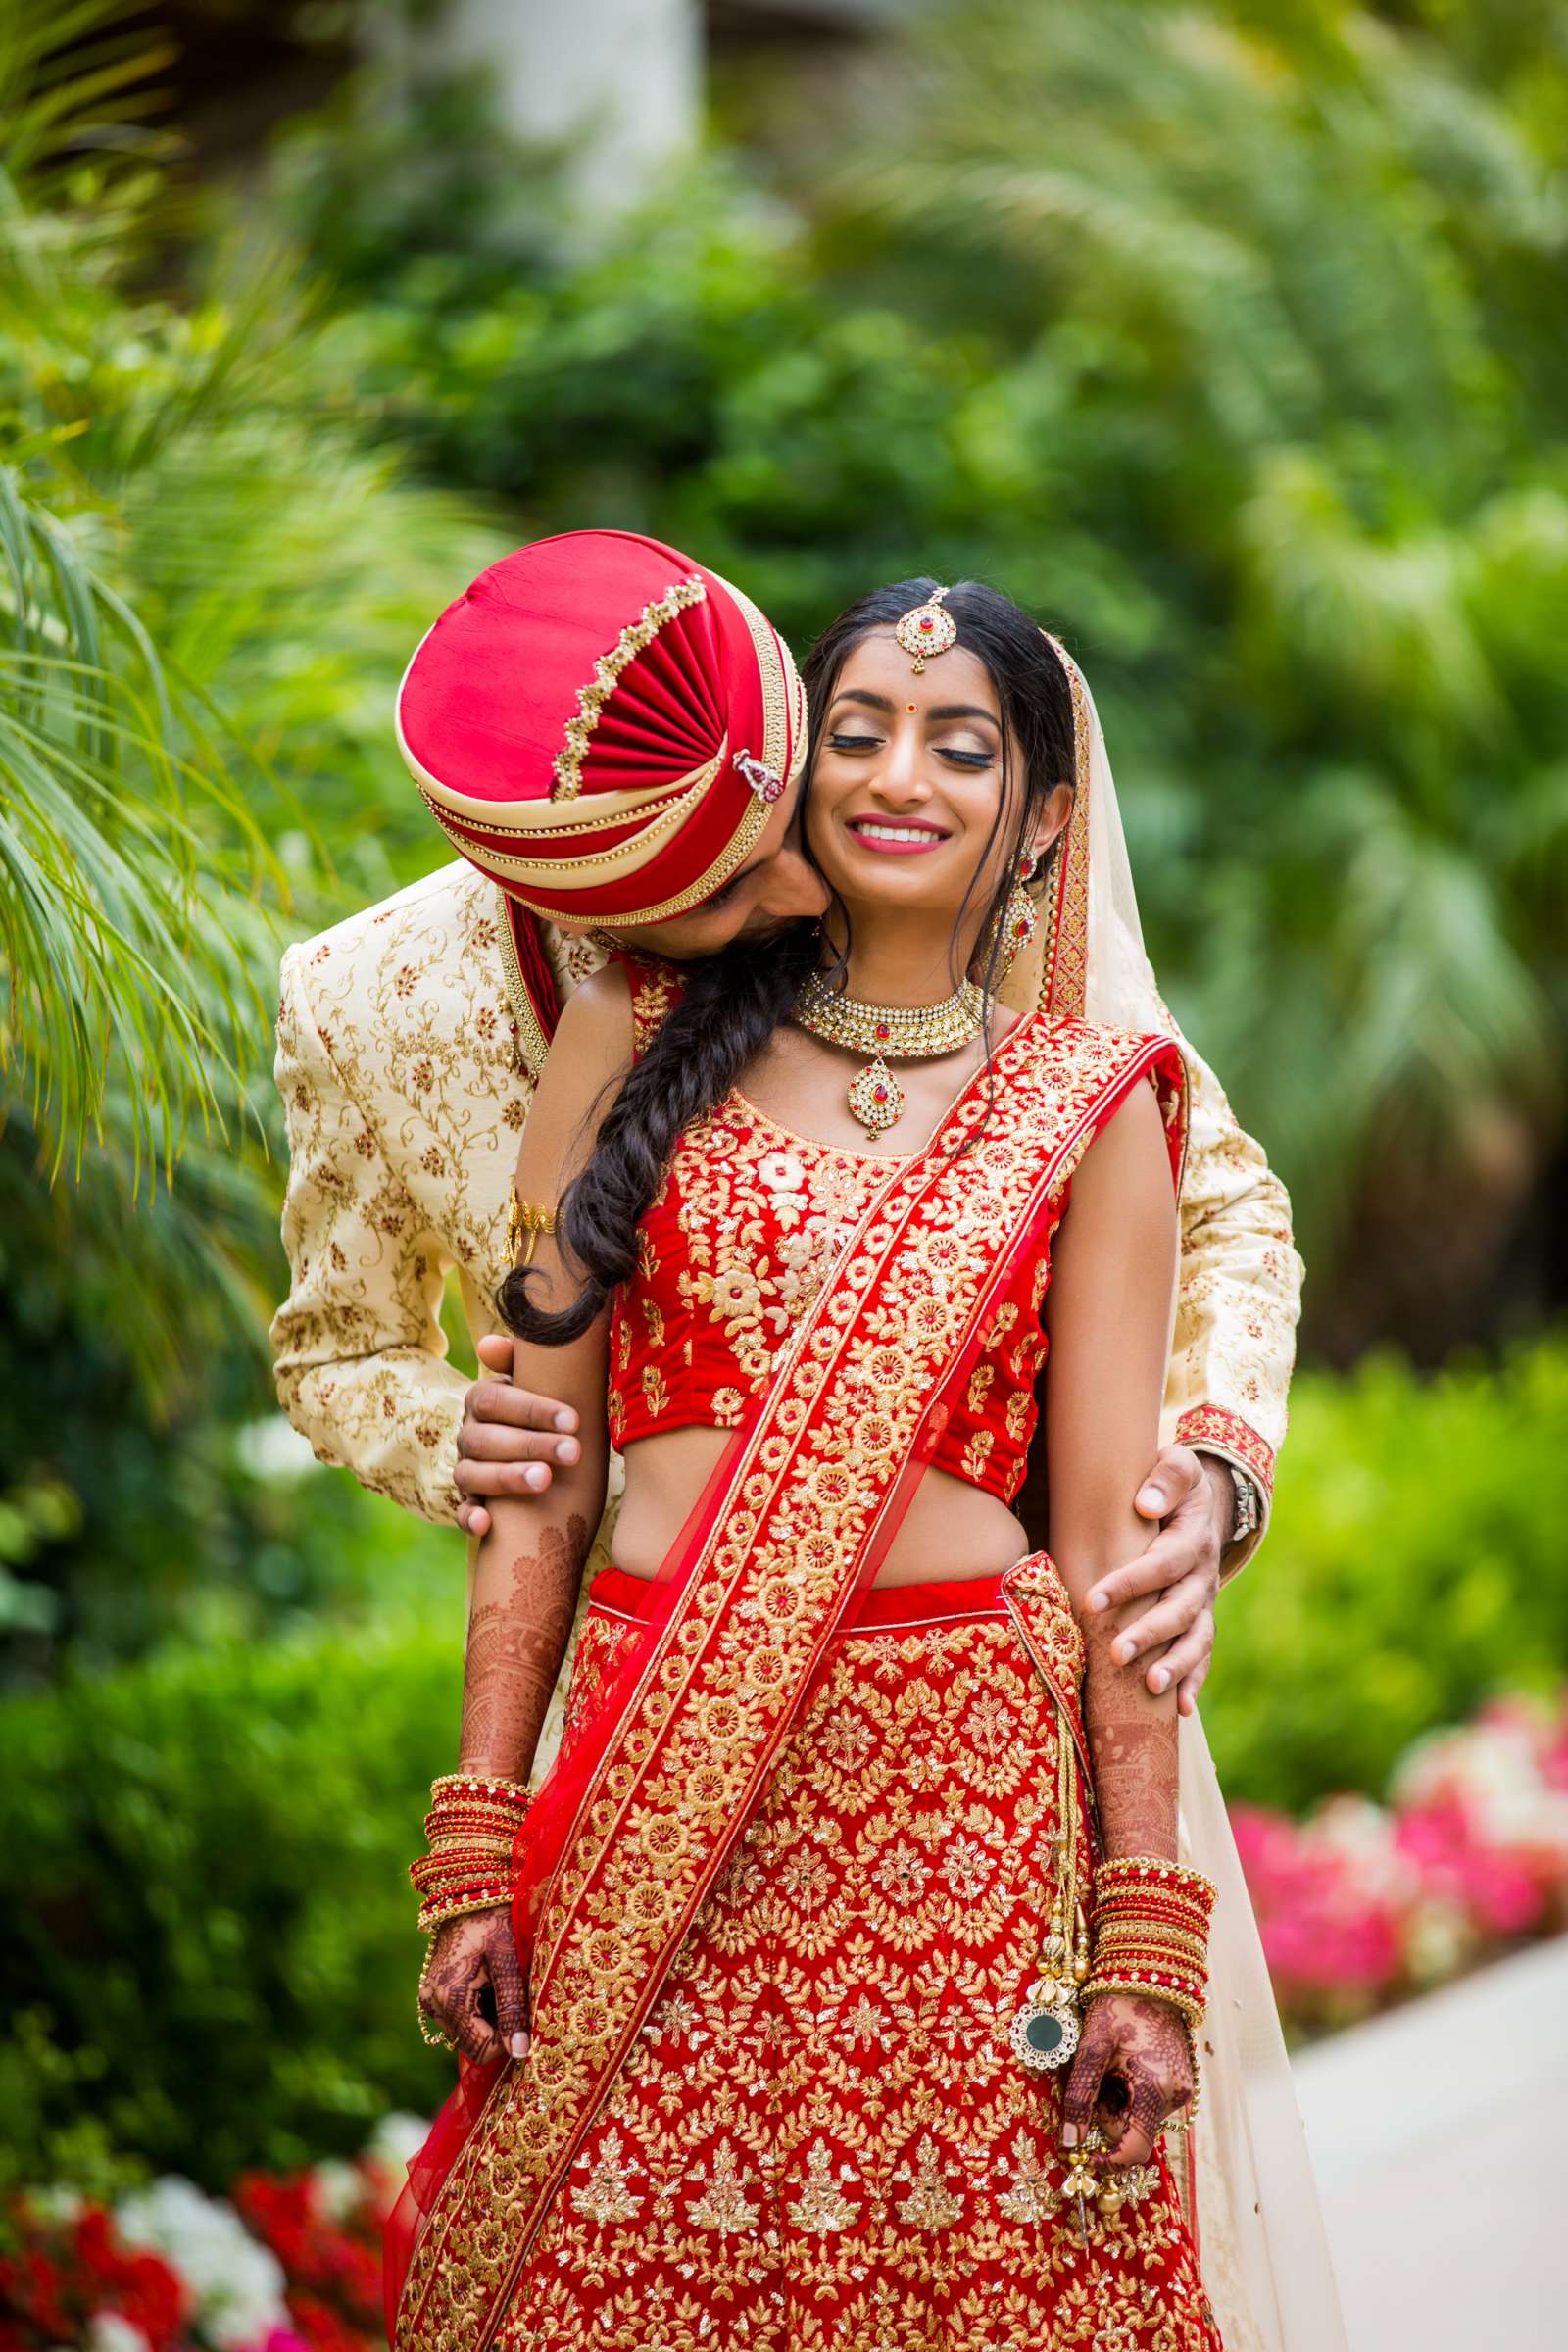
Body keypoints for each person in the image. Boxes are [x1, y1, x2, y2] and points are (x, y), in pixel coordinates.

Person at [385, 582, 1346, 2351]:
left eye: (963, 744)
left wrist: (1142, 1937)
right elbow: (543, 1472)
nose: (902, 773)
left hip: (967, 1829)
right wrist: (477, 1836)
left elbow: (1111, 1547)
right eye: (861, 729)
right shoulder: (629, 1028)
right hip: (660, 1779)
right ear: (791, 768)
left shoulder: (1090, 1103)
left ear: (1042, 813)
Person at [270, 534, 1299, 1781]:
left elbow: (1223, 1202)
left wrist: (1215, 1458)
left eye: (783, 820)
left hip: (978, 1695)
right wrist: (471, 1442)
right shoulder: (367, 1002)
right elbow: (336, 1348)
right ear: (588, 912)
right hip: (632, 1715)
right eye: (735, 893)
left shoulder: (889, 849)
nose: (811, 896)